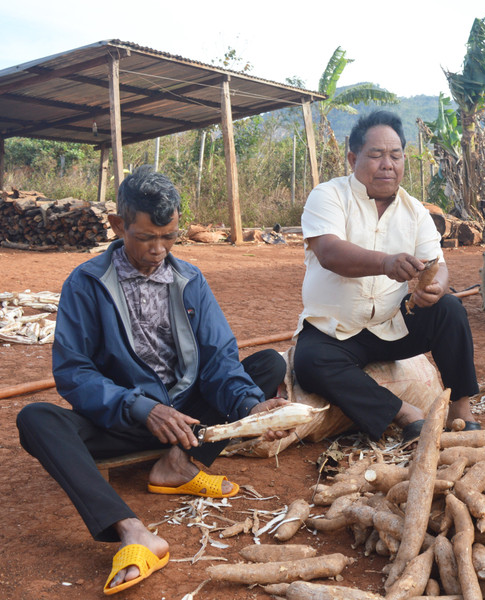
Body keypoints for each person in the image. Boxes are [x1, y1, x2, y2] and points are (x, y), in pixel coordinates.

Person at [16, 166, 291, 595]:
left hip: (186, 419)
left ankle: (176, 465)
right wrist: (141, 408)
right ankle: (131, 530)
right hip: (123, 421)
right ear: (119, 224)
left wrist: (251, 408)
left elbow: (219, 358)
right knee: (36, 418)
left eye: (169, 237)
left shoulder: (189, 280)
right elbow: (74, 373)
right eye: (146, 238)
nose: (159, 250)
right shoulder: (86, 283)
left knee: (268, 365)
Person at [292, 110, 480, 443]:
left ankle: (462, 414)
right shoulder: (328, 196)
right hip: (332, 332)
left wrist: (436, 287)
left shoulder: (415, 212)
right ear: (353, 158)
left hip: (390, 327)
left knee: (448, 309)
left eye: (395, 156)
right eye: (376, 155)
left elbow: (439, 264)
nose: (387, 164)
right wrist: (386, 263)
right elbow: (330, 253)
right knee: (309, 363)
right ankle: (406, 414)